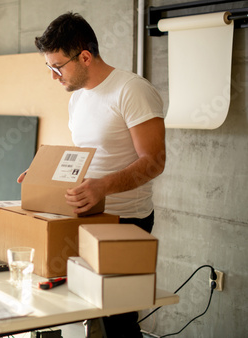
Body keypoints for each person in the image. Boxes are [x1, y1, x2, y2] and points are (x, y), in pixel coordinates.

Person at [17, 12, 166, 338]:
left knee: (118, 320)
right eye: (49, 68)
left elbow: (154, 161)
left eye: (58, 67)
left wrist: (104, 187)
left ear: (85, 56)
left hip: (126, 222)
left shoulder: (131, 90)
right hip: (85, 216)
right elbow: (86, 157)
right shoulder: (79, 97)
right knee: (82, 313)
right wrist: (45, 173)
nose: (54, 76)